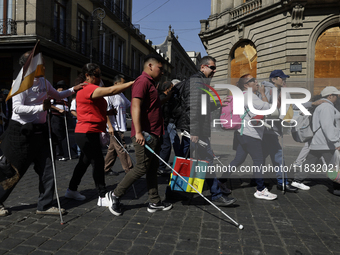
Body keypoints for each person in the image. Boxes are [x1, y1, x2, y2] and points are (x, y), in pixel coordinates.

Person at [0, 50, 83, 217]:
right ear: (30, 65)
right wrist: (41, 108)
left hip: (40, 132)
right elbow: (16, 108)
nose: (44, 66)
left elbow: (58, 94)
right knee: (13, 171)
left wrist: (74, 89)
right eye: (40, 63)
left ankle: (44, 205)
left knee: (47, 168)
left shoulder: (44, 82)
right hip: (21, 133)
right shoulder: (20, 82)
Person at [106, 54, 172, 216]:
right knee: (142, 167)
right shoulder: (142, 81)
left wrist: (168, 96)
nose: (162, 72)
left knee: (152, 168)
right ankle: (114, 195)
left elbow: (152, 107)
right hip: (146, 135)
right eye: (160, 69)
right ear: (150, 66)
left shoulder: (151, 84)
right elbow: (135, 106)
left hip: (154, 133)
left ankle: (154, 201)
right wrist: (139, 132)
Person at [64, 63, 134, 205]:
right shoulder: (87, 88)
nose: (99, 78)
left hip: (91, 131)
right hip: (86, 132)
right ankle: (102, 196)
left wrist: (107, 113)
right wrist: (134, 82)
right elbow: (112, 90)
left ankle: (71, 189)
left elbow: (91, 109)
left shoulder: (90, 88)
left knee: (83, 162)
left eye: (100, 75)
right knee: (98, 162)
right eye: (97, 75)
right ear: (87, 76)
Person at [174, 56, 237, 206]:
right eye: (212, 67)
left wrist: (218, 104)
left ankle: (175, 193)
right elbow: (193, 108)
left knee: (191, 161)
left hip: (195, 130)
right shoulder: (197, 81)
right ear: (202, 67)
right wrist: (195, 131)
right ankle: (215, 194)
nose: (214, 71)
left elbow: (202, 107)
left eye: (215, 68)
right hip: (196, 131)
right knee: (206, 161)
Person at [220, 74, 278, 200]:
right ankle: (261, 190)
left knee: (238, 160)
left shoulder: (242, 96)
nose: (257, 83)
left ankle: (220, 181)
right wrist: (263, 94)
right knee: (258, 161)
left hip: (242, 133)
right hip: (251, 134)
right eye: (253, 81)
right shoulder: (250, 96)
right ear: (246, 85)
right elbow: (268, 108)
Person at [292, 86, 340, 194]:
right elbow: (327, 126)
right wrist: (336, 142)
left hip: (318, 142)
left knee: (309, 161)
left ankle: (297, 180)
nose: (337, 97)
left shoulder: (323, 106)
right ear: (330, 96)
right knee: (334, 165)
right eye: (336, 95)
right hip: (326, 143)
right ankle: (337, 188)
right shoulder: (327, 107)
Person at [259, 70, 298, 192]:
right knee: (278, 156)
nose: (284, 80)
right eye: (281, 78)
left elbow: (290, 105)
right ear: (274, 79)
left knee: (260, 157)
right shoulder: (269, 90)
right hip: (269, 129)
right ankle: (283, 182)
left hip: (269, 129)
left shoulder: (278, 90)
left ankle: (256, 179)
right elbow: (267, 108)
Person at [104, 74, 133, 176]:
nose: (124, 86)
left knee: (112, 150)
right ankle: (129, 170)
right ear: (116, 84)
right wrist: (110, 126)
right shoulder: (108, 95)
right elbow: (105, 112)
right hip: (114, 127)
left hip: (121, 127)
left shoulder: (121, 95)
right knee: (122, 147)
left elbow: (131, 104)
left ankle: (105, 168)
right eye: (123, 84)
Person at [157, 80, 181, 175]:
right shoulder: (162, 98)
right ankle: (160, 167)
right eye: (171, 88)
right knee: (166, 146)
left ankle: (160, 166)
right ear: (166, 89)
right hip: (162, 125)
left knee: (164, 146)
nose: (173, 90)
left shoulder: (169, 98)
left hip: (165, 125)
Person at [50, 80, 70, 161]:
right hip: (56, 116)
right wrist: (59, 109)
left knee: (63, 135)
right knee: (57, 135)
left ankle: (60, 152)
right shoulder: (54, 95)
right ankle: (59, 154)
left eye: (64, 88)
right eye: (62, 88)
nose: (63, 89)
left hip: (63, 117)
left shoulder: (65, 97)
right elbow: (50, 105)